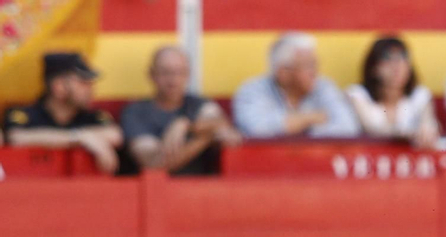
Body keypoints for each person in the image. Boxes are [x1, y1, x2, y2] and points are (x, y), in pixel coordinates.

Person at [121, 46, 240, 176]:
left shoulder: (199, 105)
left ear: (188, 75)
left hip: (202, 191)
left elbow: (222, 122)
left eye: (180, 72)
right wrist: (205, 137)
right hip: (156, 192)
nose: (173, 80)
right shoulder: (135, 112)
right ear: (151, 74)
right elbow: (156, 164)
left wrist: (186, 125)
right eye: (166, 72)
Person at [3, 52, 123, 174]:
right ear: (58, 86)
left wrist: (80, 136)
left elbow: (115, 135)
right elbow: (16, 137)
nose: (91, 89)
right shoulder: (25, 114)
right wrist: (79, 137)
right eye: (83, 83)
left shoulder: (93, 116)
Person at [233, 33, 360, 139]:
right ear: (283, 72)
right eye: (308, 66)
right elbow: (257, 130)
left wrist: (302, 132)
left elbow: (348, 127)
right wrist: (310, 118)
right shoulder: (252, 91)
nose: (315, 72)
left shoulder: (323, 86)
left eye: (315, 64)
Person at [347, 36, 440, 150]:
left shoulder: (420, 95)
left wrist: (428, 130)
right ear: (373, 68)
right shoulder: (358, 94)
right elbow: (371, 129)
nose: (397, 66)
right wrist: (408, 134)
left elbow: (429, 124)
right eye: (387, 58)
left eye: (403, 57)